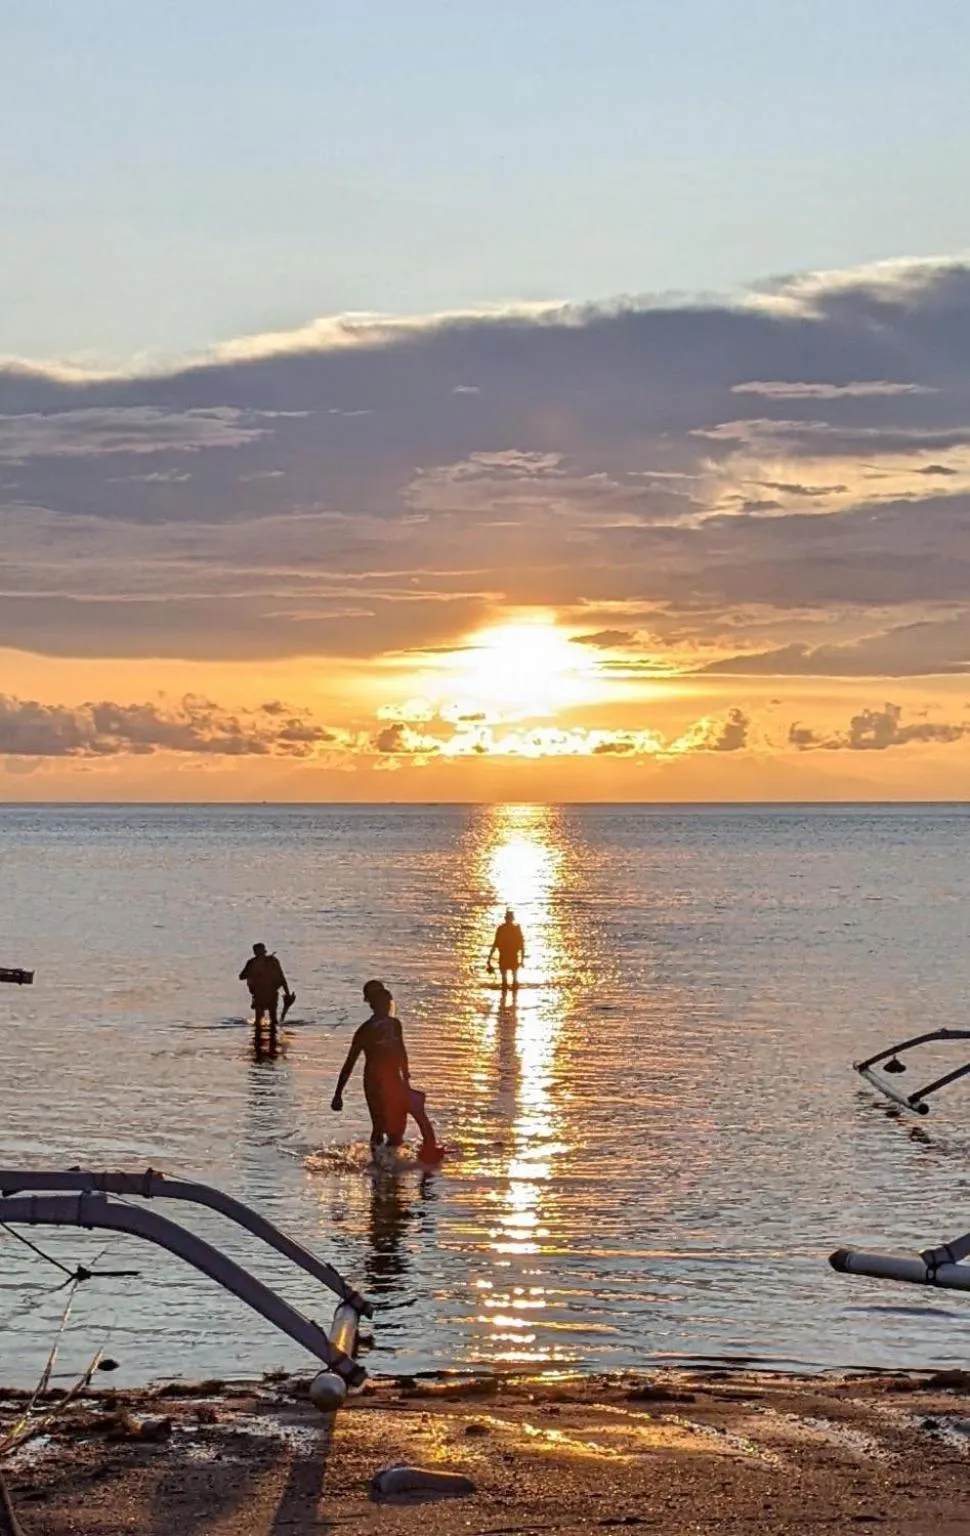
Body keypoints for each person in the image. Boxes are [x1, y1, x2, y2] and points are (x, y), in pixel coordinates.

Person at [332, 980, 443, 1164]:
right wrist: (338, 1094)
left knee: (397, 1130)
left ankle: (392, 1164)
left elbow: (401, 1051)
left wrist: (406, 1078)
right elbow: (350, 1062)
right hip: (374, 1083)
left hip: (394, 1081)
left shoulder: (394, 1025)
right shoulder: (365, 1030)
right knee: (379, 1125)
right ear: (373, 1004)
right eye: (382, 1002)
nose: (386, 1006)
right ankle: (378, 1164)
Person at [239, 943, 291, 1047]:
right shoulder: (253, 963)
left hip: (269, 994)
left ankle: (270, 1042)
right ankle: (262, 1043)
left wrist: (287, 993)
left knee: (271, 1021)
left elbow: (281, 977)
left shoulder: (271, 962)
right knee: (261, 1021)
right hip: (261, 994)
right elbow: (242, 976)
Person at [488, 908, 525, 992]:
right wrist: (489, 958)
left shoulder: (506, 929)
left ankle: (510, 1000)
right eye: (508, 918)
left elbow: (522, 945)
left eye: (509, 918)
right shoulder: (504, 929)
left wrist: (522, 960)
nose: (509, 920)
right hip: (506, 956)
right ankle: (508, 999)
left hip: (510, 956)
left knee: (512, 980)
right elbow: (495, 943)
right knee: (507, 980)